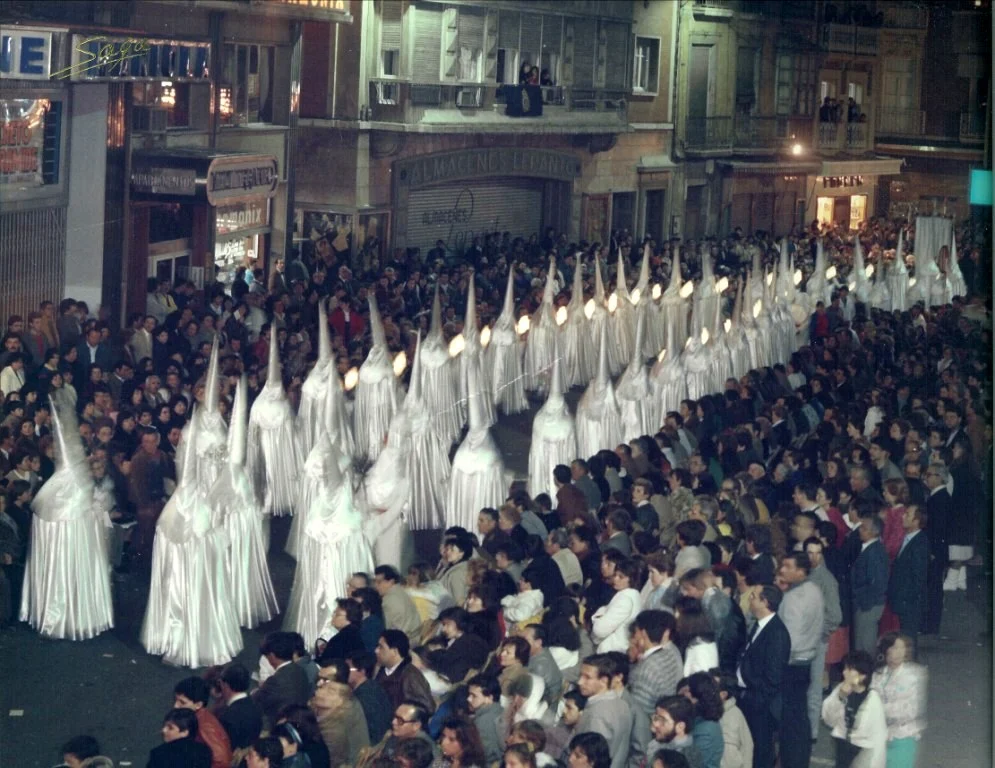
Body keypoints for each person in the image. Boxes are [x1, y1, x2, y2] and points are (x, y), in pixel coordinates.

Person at [775, 552, 822, 767]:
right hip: (807, 659)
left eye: (787, 566)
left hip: (792, 663)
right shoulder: (814, 590)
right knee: (800, 716)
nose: (782, 569)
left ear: (801, 571)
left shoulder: (793, 598)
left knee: (790, 720)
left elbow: (789, 640)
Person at [736, 586, 790, 768]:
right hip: (750, 699)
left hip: (760, 706)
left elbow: (773, 678)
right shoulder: (759, 625)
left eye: (753, 596)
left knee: (761, 751)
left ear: (764, 602)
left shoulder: (777, 634)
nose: (749, 599)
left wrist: (753, 699)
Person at [821, 651, 887, 768]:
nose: (844, 672)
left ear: (862, 675)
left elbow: (875, 735)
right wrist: (840, 697)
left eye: (850, 669)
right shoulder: (840, 690)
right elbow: (828, 719)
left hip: (864, 752)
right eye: (845, 668)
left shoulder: (873, 699)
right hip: (842, 746)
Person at [870, 634, 927, 768]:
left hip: (903, 735)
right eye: (895, 648)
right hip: (878, 736)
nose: (900, 652)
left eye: (902, 648)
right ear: (886, 650)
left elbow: (911, 710)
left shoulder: (914, 674)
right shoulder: (878, 674)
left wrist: (880, 709)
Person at [576, 653, 635, 768]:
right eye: (581, 676)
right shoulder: (623, 704)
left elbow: (591, 759)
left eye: (587, 677)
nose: (580, 682)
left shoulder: (598, 715)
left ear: (603, 681)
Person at [887, 505, 928, 651]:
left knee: (908, 641)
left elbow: (919, 577)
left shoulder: (919, 543)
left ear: (916, 521)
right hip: (902, 600)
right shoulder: (909, 538)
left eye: (907, 514)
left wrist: (906, 600)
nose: (903, 516)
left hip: (909, 603)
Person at [629, 610, 684, 715]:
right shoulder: (670, 652)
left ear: (643, 633)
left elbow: (637, 712)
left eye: (635, 632)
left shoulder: (647, 668)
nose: (634, 637)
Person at [254, 632, 312, 731]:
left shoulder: (275, 681)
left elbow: (256, 701)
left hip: (281, 727)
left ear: (272, 656)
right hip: (301, 721)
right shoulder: (300, 670)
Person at [173, 676, 233, 768]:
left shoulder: (204, 726)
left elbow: (222, 760)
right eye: (176, 700)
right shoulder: (196, 717)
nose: (176, 706)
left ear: (198, 705)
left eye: (182, 702)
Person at [374, 629, 436, 713]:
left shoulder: (411, 676)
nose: (376, 650)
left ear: (394, 651)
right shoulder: (383, 669)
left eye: (381, 647)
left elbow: (428, 707)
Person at [851, 516, 888, 654]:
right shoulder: (870, 548)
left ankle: (868, 666)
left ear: (874, 532)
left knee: (865, 643)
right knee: (862, 641)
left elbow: (877, 582)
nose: (860, 530)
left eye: (864, 528)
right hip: (866, 603)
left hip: (868, 605)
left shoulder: (874, 552)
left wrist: (864, 603)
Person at [591, 557, 643, 653]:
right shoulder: (632, 595)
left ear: (631, 579)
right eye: (615, 575)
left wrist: (598, 617)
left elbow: (599, 630)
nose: (615, 579)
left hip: (612, 649)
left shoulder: (625, 599)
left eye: (621, 577)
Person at [346, 649, 394, 744]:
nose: (344, 672)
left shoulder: (365, 696)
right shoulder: (373, 687)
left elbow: (374, 730)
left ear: (362, 671)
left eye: (348, 669)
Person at [648, 695, 704, 768]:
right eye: (656, 717)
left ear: (680, 727)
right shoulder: (662, 740)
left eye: (662, 720)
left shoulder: (689, 757)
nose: (655, 724)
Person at [147, 708, 212, 768]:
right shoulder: (205, 752)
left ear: (184, 732)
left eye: (170, 728)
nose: (163, 730)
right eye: (164, 726)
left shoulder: (159, 753)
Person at [466, 674, 506, 766]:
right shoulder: (498, 711)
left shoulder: (483, 722)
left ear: (489, 698)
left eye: (474, 696)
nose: (468, 699)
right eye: (469, 694)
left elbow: (483, 755)